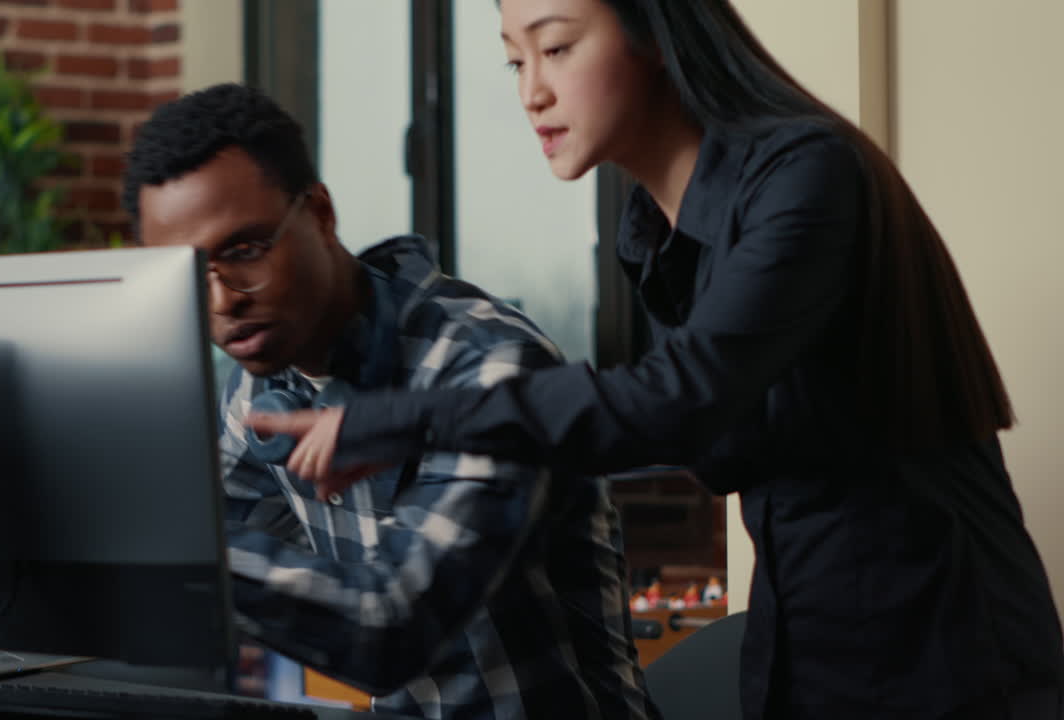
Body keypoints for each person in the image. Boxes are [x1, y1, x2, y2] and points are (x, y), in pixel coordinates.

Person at [246, 1, 1064, 719]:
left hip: (944, 653)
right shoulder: (656, 231)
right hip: (805, 649)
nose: (530, 91)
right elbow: (717, 442)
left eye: (557, 47)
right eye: (513, 58)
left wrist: (403, 420)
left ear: (655, 30)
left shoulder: (810, 173)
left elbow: (681, 402)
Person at [121, 83, 659, 720]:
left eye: (244, 251)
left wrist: (147, 529)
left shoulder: (486, 368)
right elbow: (205, 570)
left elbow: (390, 629)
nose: (220, 300)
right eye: (186, 272)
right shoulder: (257, 390)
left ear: (320, 213)